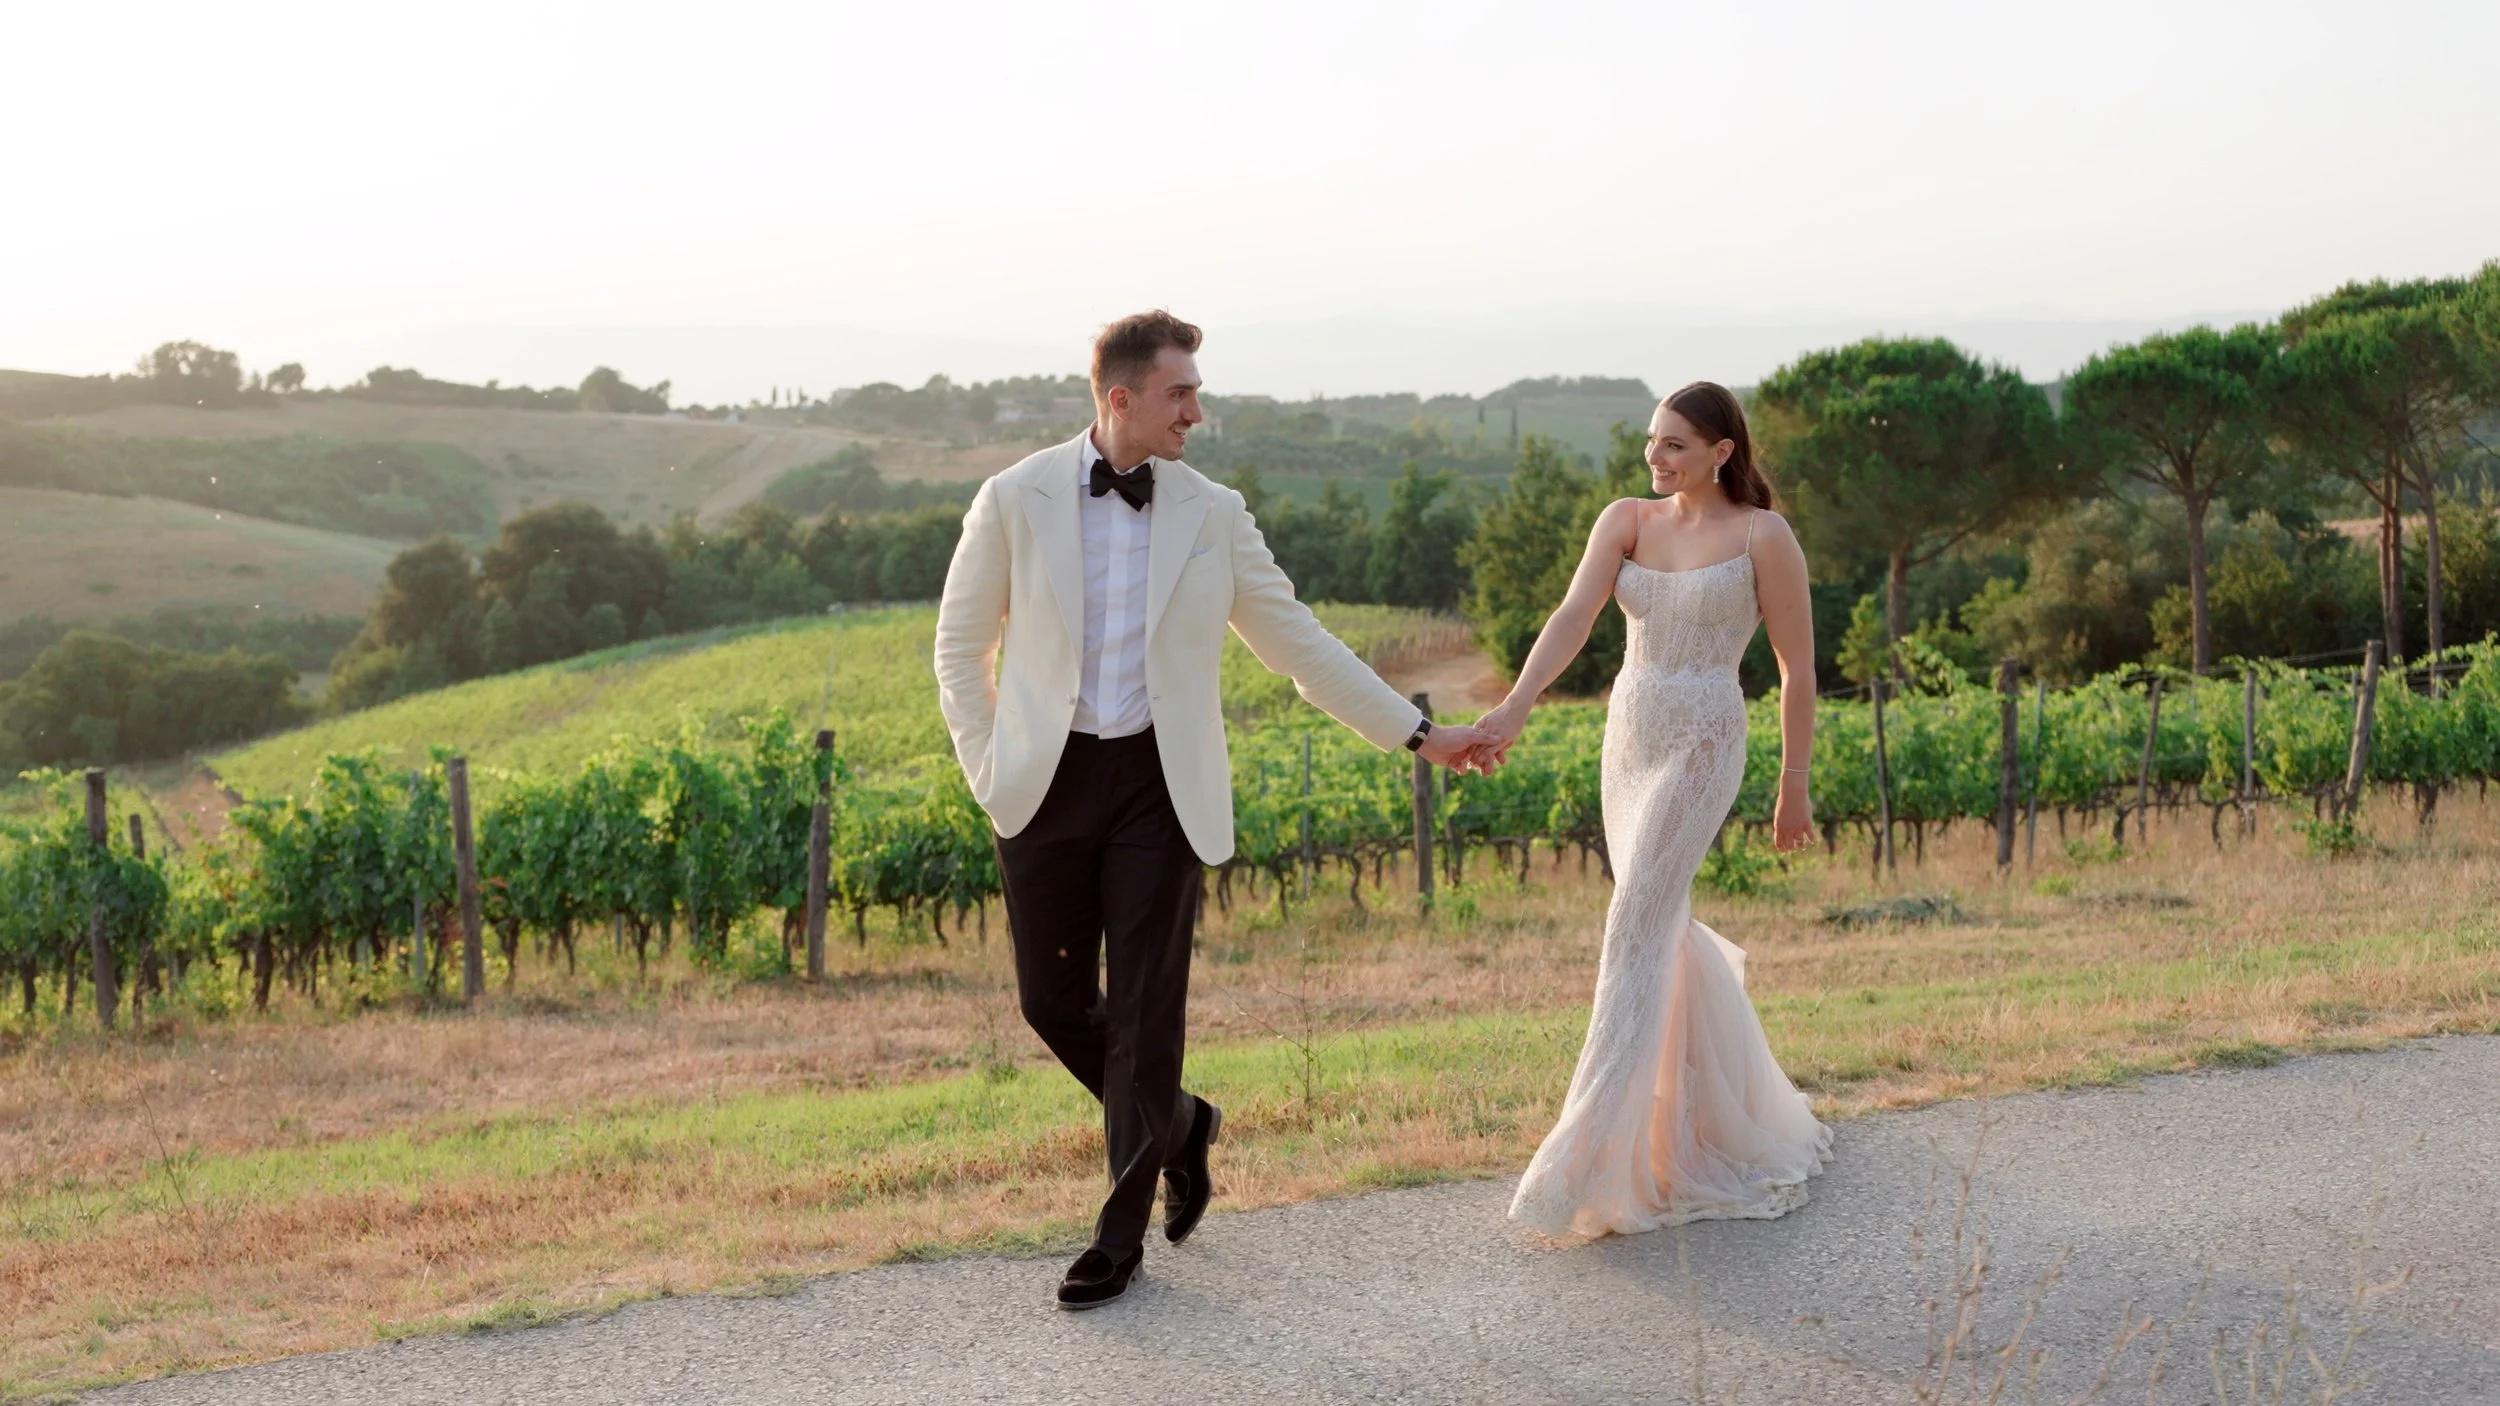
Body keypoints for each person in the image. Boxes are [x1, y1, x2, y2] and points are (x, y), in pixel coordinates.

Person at [932, 310, 1502, 1307]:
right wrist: (990, 763)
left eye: (1195, 390)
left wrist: (1420, 733)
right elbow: (957, 647)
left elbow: (1301, 645)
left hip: (1162, 785)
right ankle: (1184, 1125)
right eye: (1180, 393)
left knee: (1144, 1019)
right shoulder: (1012, 497)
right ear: (1121, 397)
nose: (1199, 409)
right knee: (1052, 1003)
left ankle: (1118, 1235)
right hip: (1043, 783)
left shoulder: (1214, 512)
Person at [1470, 380, 1833, 1237]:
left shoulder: (1762, 536)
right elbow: (1572, 616)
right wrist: (1515, 708)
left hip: (1706, 734)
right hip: (1630, 733)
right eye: (1652, 441)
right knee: (1655, 919)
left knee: (1633, 918)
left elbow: (1798, 669)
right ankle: (1712, 1115)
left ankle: (1591, 1153)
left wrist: (1794, 783)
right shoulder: (1625, 519)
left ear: (1722, 451)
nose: (1655, 457)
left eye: (1675, 444)